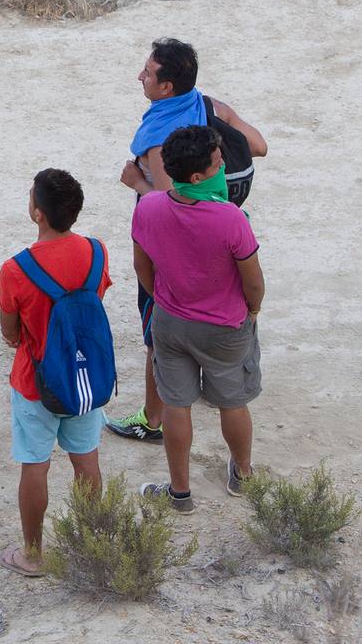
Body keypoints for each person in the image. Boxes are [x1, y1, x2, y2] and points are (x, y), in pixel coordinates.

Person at [107, 37, 267, 442]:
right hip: (220, 239)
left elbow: (167, 202)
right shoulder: (210, 106)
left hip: (173, 252)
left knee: (156, 336)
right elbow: (259, 146)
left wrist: (137, 181)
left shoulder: (163, 137)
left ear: (167, 88)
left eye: (148, 73)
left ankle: (151, 419)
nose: (139, 76)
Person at [132, 126, 265, 511]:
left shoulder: (150, 207)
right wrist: (252, 312)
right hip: (225, 327)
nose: (223, 166)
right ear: (197, 177)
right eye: (217, 163)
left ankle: (180, 493)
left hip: (172, 321)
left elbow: (142, 264)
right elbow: (253, 282)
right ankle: (242, 475)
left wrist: (162, 297)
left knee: (177, 405)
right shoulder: (230, 219)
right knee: (233, 402)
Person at [0, 169, 110, 576]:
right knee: (86, 461)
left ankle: (33, 553)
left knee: (35, 464)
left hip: (36, 381)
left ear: (38, 213)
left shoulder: (16, 269)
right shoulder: (97, 252)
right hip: (85, 380)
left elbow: (10, 329)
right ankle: (93, 544)